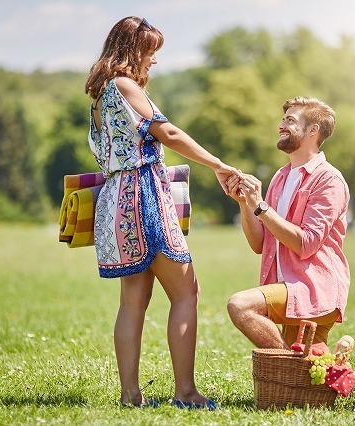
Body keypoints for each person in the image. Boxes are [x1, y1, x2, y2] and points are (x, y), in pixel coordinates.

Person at [84, 16, 236, 409]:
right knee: (186, 292)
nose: (154, 61)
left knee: (132, 301)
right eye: (150, 52)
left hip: (116, 199)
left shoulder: (100, 95)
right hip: (145, 197)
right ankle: (185, 392)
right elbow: (166, 132)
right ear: (133, 50)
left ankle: (130, 396)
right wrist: (217, 164)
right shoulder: (125, 85)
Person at [225, 96, 355, 395]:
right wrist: (245, 203)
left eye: (290, 120)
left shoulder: (329, 181)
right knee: (320, 379)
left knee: (240, 305)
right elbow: (259, 244)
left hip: (312, 287)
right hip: (286, 285)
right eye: (284, 119)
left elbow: (305, 244)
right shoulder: (280, 177)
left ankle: (296, 371)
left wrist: (261, 206)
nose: (281, 125)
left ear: (312, 131)